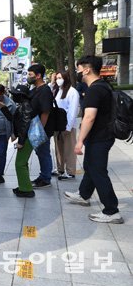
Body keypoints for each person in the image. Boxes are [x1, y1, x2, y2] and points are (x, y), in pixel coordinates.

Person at [64, 56, 123, 224]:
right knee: (90, 166)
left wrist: (79, 141)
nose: (78, 72)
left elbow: (89, 117)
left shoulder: (94, 89)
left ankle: (112, 211)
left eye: (79, 68)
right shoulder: (104, 85)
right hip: (103, 135)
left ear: (87, 69)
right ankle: (84, 195)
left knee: (98, 172)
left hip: (100, 137)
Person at [1, 84, 36, 197]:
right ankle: (24, 186)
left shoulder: (25, 106)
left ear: (21, 95)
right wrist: (4, 108)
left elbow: (25, 125)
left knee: (20, 164)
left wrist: (21, 141)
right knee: (22, 163)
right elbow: (14, 119)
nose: (13, 96)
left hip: (26, 138)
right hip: (26, 137)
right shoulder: (22, 105)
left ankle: (26, 190)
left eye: (15, 94)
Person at [27, 64, 54, 189]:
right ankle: (43, 176)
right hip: (35, 127)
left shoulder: (45, 90)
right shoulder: (35, 89)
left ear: (38, 76)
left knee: (43, 153)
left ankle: (45, 178)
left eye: (30, 75)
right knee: (40, 153)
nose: (28, 77)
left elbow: (46, 111)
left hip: (41, 129)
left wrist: (40, 131)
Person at [52, 70, 80, 180]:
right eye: (57, 78)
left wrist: (68, 127)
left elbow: (73, 111)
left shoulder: (72, 92)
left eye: (60, 78)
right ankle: (60, 169)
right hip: (58, 125)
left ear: (66, 78)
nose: (58, 80)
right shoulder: (58, 91)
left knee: (69, 148)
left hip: (68, 125)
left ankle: (70, 171)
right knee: (59, 149)